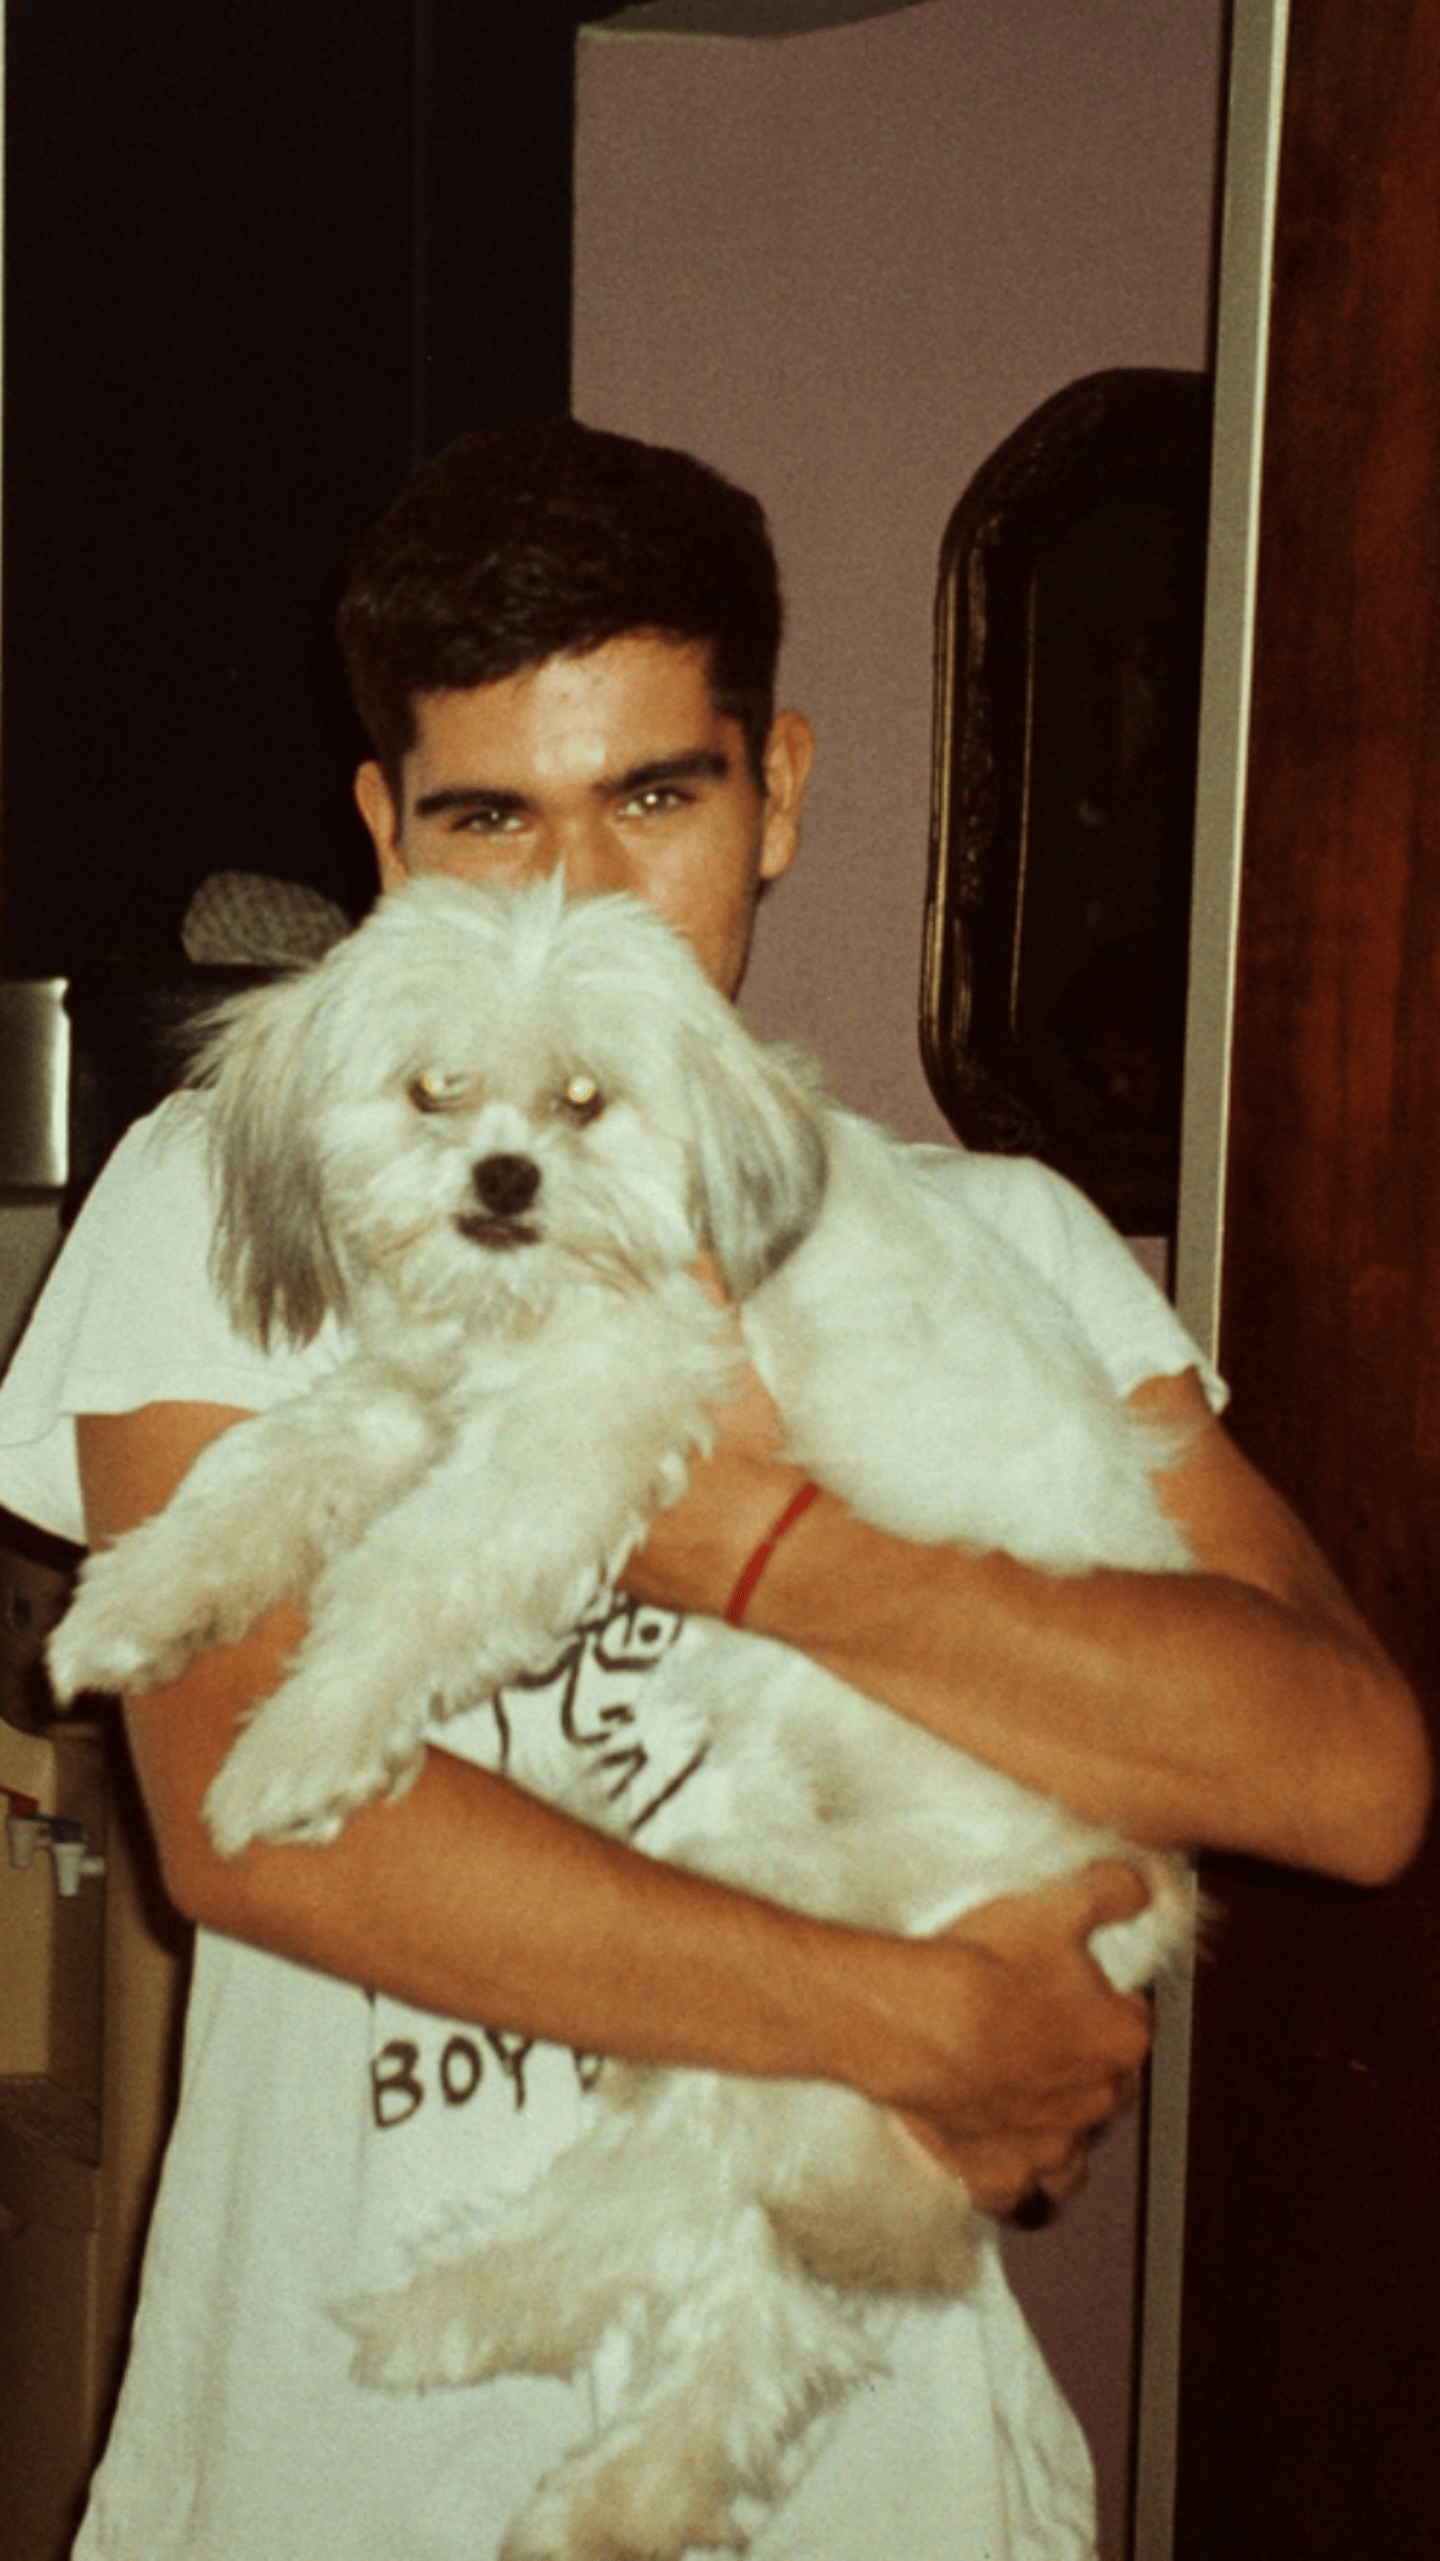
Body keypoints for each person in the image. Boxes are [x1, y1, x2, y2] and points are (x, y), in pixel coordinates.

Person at [0, 420, 1426, 2561]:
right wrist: (938, 2026)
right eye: (490, 818)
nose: (575, 899)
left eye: (654, 799)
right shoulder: (258, 1176)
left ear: (780, 793)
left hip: (885, 2495)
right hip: (333, 2471)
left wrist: (762, 1541)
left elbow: (1346, 1775)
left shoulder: (998, 1233)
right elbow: (259, 1823)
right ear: (385, 833)